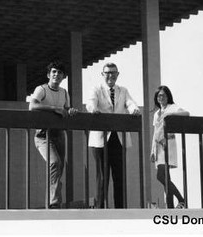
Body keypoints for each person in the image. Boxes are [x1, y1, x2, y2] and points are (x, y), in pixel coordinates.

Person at [86, 63, 141, 208]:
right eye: (107, 73)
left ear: (117, 74)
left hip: (118, 138)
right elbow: (90, 103)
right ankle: (100, 210)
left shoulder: (123, 90)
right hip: (100, 139)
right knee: (103, 177)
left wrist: (134, 110)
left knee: (119, 176)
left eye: (113, 73)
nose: (110, 75)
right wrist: (93, 110)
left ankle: (120, 209)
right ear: (102, 75)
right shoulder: (97, 89)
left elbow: (130, 103)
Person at [26, 61, 78, 209]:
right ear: (49, 74)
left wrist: (71, 111)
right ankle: (54, 203)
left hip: (59, 133)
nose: (56, 75)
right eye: (54, 72)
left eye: (60, 73)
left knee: (59, 168)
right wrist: (54, 108)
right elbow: (32, 106)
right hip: (43, 135)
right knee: (54, 162)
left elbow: (66, 109)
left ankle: (54, 201)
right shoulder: (41, 89)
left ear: (63, 77)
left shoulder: (64, 92)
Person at [150, 85, 189, 209]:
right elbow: (155, 132)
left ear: (168, 96)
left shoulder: (173, 107)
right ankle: (171, 207)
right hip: (158, 146)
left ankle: (182, 199)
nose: (161, 97)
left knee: (160, 176)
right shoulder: (156, 114)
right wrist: (152, 150)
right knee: (166, 178)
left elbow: (186, 113)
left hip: (168, 144)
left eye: (164, 95)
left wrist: (170, 115)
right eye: (159, 95)